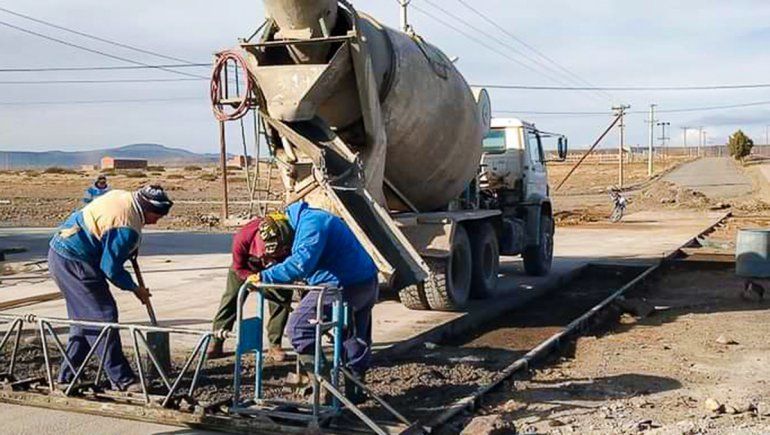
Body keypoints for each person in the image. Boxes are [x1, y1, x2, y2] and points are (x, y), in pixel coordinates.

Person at [48, 185, 173, 391]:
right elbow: (110, 268)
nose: (157, 221)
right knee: (103, 317)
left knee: (84, 320)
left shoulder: (123, 197)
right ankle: (122, 379)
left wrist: (126, 249)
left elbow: (106, 233)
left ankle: (68, 376)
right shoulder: (126, 227)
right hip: (75, 261)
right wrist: (135, 288)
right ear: (148, 209)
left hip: (60, 253)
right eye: (157, 216)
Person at [251, 201, 378, 402]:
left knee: (299, 328)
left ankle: (323, 388)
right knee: (352, 336)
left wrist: (263, 277)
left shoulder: (312, 225)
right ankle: (355, 394)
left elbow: (301, 263)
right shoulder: (309, 218)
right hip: (364, 281)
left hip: (340, 285)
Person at [207, 217, 293, 361]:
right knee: (231, 299)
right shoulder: (243, 237)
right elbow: (238, 267)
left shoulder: (289, 236)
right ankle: (216, 341)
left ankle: (275, 344)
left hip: (276, 268)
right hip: (247, 266)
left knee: (281, 300)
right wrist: (251, 277)